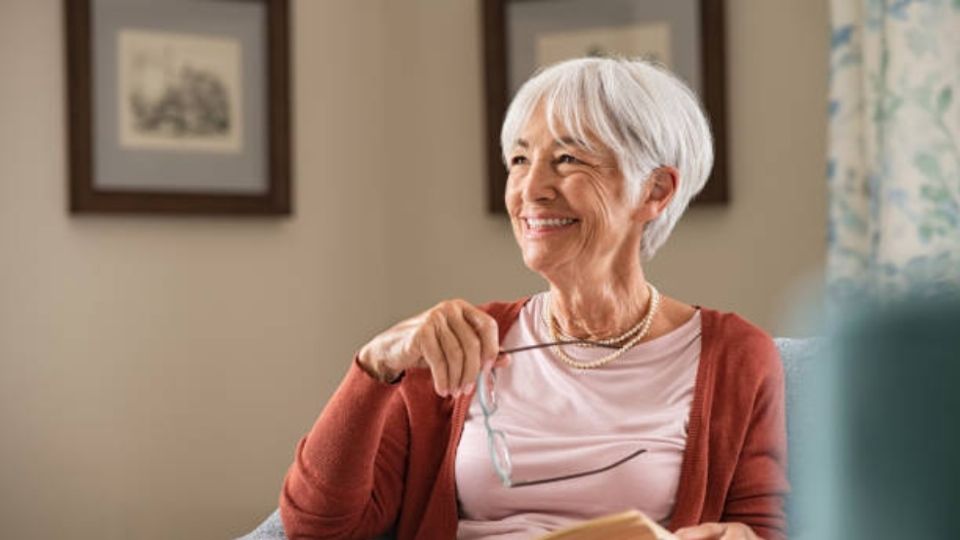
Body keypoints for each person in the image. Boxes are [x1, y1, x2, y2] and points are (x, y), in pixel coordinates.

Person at [279, 57, 788, 540]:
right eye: (520, 159)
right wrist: (375, 364)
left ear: (655, 190)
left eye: (567, 159)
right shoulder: (458, 344)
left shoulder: (736, 356)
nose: (531, 189)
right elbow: (318, 529)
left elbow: (755, 526)